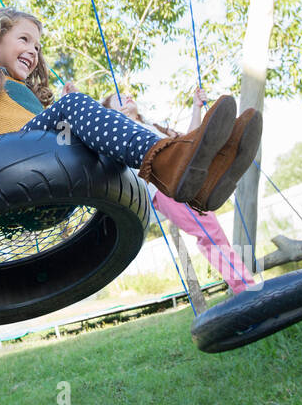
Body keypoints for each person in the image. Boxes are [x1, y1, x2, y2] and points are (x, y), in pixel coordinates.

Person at [0, 8, 261, 215]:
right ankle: (171, 161)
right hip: (6, 174)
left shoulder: (29, 95)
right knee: (74, 108)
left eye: (38, 45)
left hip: (48, 179)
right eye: (24, 39)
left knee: (85, 116)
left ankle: (200, 181)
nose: (34, 50)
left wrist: (64, 110)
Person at [101, 88, 256, 293]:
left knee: (213, 231)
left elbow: (189, 141)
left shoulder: (152, 126)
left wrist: (196, 107)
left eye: (126, 93)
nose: (127, 96)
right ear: (111, 113)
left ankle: (226, 154)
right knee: (209, 233)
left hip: (185, 174)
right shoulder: (120, 133)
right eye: (118, 99)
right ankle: (245, 288)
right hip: (166, 187)